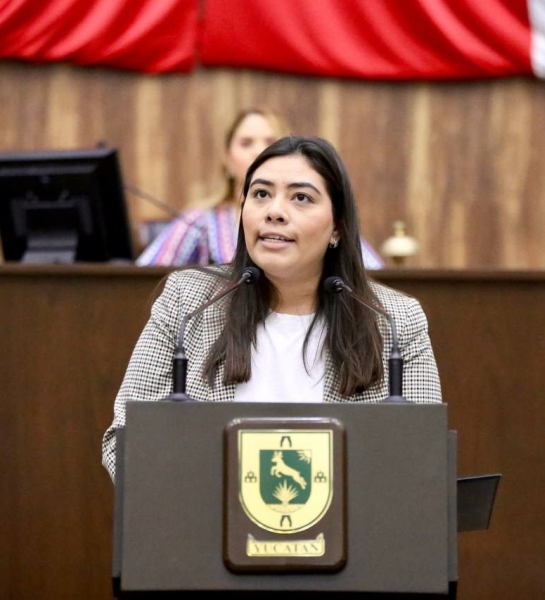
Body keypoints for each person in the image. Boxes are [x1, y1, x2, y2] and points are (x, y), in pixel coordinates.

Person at [102, 136, 441, 480]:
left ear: (337, 227)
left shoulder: (395, 320)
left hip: (349, 517)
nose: (274, 211)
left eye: (301, 198)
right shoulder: (188, 302)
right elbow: (124, 440)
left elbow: (422, 459)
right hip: (204, 515)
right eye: (261, 194)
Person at [135, 106, 386, 269]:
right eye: (246, 143)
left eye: (270, 142)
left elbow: (375, 276)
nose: (258, 151)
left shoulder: (319, 220)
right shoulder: (199, 224)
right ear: (227, 160)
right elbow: (138, 282)